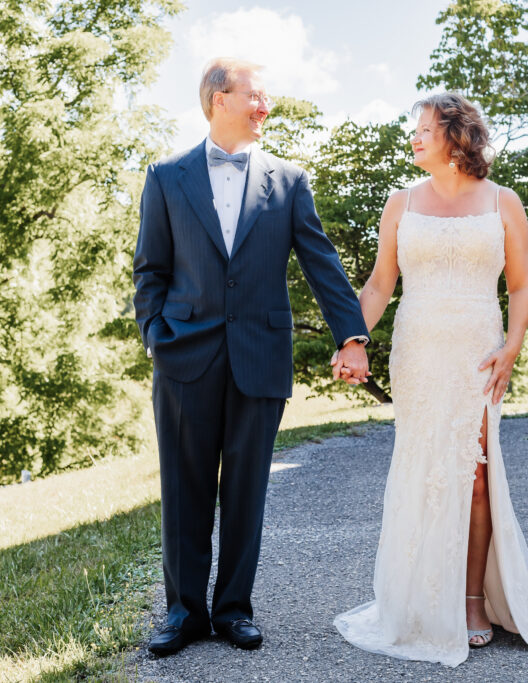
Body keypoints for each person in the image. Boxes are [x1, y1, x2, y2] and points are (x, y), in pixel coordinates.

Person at [333, 93, 528, 666]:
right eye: (416, 129)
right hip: (419, 351)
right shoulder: (399, 203)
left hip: (478, 353)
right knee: (424, 468)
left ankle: (472, 599)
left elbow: (521, 286)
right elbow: (381, 285)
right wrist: (352, 338)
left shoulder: (504, 202)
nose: (414, 138)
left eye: (425, 130)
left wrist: (512, 345)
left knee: (477, 476)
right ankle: (417, 601)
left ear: (457, 137)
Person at [133, 57, 371, 657]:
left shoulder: (289, 180)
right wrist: (157, 334)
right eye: (256, 97)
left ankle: (234, 610)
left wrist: (352, 335)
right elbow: (150, 270)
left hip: (260, 356)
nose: (267, 107)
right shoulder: (165, 177)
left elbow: (322, 262)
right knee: (185, 490)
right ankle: (183, 613)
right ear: (219, 98)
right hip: (183, 357)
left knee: (246, 490)